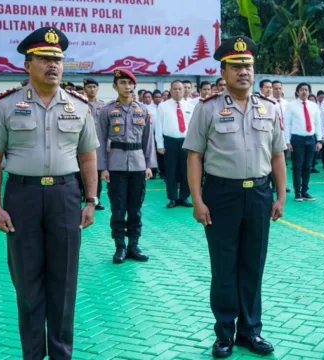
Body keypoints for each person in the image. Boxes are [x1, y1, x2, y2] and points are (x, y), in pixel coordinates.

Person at [0, 27, 100, 359]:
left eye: (58, 59)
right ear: (27, 64)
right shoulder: (5, 106)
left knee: (63, 283)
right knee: (27, 283)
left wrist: (91, 200)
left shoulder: (79, 106)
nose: (53, 65)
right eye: (45, 58)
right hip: (23, 198)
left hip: (65, 196)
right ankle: (33, 354)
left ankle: (61, 354)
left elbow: (88, 157)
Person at [183, 35, 287, 358]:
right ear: (224, 71)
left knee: (253, 265)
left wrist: (281, 196)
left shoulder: (268, 109)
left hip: (258, 193)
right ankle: (224, 333)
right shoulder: (208, 109)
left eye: (248, 65)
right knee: (224, 266)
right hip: (221, 195)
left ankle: (250, 332)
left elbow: (278, 155)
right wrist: (197, 200)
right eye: (237, 66)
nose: (244, 71)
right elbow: (194, 156)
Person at [99, 69, 157, 264]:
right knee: (118, 208)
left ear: (134, 85)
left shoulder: (143, 110)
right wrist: (103, 168)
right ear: (115, 87)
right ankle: (120, 247)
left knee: (135, 209)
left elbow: (149, 139)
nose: (126, 86)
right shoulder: (106, 111)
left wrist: (149, 165)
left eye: (129, 83)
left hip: (138, 165)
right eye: (122, 83)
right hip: (115, 166)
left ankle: (133, 245)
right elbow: (100, 140)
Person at [155, 80, 194, 208]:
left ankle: (184, 197)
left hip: (186, 142)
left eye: (180, 89)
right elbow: (159, 126)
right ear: (170, 90)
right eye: (175, 89)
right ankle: (172, 198)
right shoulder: (163, 106)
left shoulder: (190, 106)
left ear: (184, 91)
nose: (177, 91)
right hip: (169, 141)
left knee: (185, 171)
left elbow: (193, 127)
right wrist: (160, 144)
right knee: (170, 171)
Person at [284, 83, 323, 201]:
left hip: (311, 139)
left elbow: (317, 123)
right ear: (297, 92)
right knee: (297, 166)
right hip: (297, 139)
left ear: (309, 92)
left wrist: (319, 140)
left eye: (306, 90)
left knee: (308, 166)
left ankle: (305, 191)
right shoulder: (291, 106)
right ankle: (297, 192)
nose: (304, 92)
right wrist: (287, 141)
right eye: (301, 90)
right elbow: (287, 124)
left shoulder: (313, 106)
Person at [83, 77, 106, 210]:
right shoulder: (80, 104)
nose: (92, 89)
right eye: (89, 87)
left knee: (96, 173)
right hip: (82, 143)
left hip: (98, 144)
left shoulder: (103, 106)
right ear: (84, 88)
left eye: (94, 87)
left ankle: (96, 200)